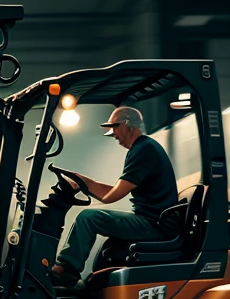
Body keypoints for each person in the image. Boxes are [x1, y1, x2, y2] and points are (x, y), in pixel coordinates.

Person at [50, 106, 178, 288]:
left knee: (88, 218)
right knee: (108, 246)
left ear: (127, 124)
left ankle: (66, 270)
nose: (113, 134)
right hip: (153, 221)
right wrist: (81, 181)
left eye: (115, 128)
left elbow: (111, 196)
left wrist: (82, 183)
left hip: (154, 225)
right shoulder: (143, 148)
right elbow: (114, 190)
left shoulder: (143, 150)